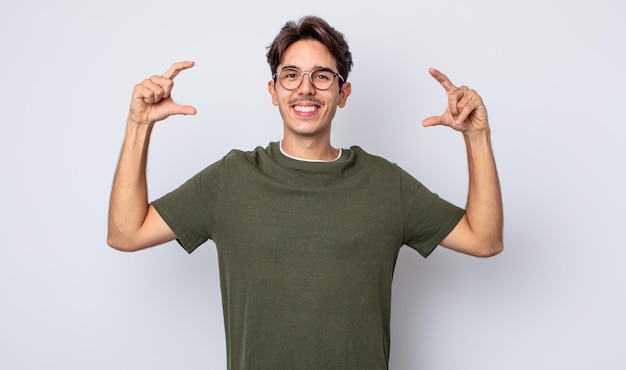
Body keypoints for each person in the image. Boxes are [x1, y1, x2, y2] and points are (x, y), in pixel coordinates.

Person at [107, 15, 503, 370]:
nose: (306, 89)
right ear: (274, 89)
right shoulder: (231, 180)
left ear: (342, 93)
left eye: (322, 76)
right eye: (291, 75)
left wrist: (477, 136)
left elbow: (484, 239)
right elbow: (126, 233)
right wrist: (139, 124)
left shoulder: (385, 184)